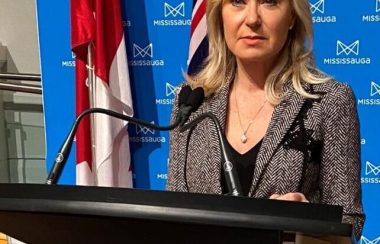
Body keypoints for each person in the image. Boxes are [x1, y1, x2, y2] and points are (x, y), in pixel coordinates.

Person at [167, 0, 364, 239]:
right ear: (220, 15)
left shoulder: (329, 100)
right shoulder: (190, 102)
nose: (252, 19)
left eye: (269, 2)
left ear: (292, 17)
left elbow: (349, 223)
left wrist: (310, 221)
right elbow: (172, 215)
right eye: (238, 2)